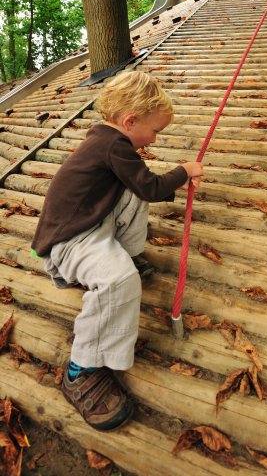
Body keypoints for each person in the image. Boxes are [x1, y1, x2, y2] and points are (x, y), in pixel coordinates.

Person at [31, 71, 204, 431]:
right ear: (130, 121)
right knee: (121, 282)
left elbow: (141, 188)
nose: (155, 137)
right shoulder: (113, 145)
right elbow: (153, 188)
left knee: (132, 189)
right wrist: (184, 171)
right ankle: (82, 368)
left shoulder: (108, 140)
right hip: (70, 241)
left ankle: (121, 257)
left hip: (89, 224)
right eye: (155, 131)